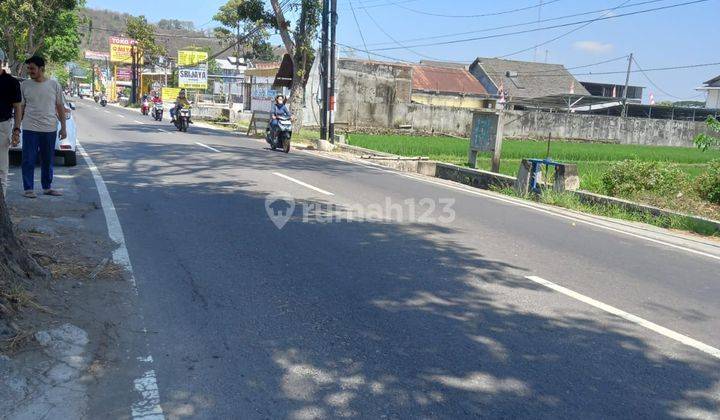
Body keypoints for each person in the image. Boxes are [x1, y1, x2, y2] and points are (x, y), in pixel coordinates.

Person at [19, 55, 66, 198]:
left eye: (33, 68)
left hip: (49, 128)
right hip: (29, 128)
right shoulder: (24, 85)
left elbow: (60, 106)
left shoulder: (54, 85)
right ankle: (28, 189)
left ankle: (47, 187)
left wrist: (64, 127)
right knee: (28, 159)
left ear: (42, 69)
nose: (30, 71)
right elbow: (20, 107)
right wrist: (15, 128)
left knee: (47, 159)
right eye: (29, 68)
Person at [0, 62, 22, 198]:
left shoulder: (11, 82)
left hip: (3, 127)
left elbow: (18, 108)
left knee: (2, 169)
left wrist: (17, 130)